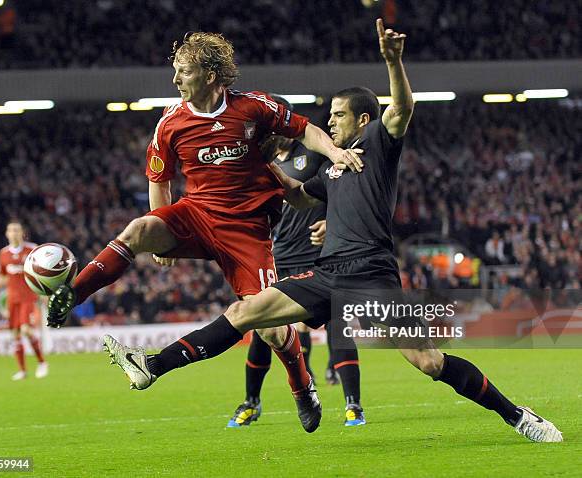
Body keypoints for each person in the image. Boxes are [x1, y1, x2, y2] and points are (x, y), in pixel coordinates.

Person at [103, 18, 563, 443]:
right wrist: (264, 171)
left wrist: (392, 61)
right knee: (246, 313)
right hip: (327, 273)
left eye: (339, 116)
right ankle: (152, 365)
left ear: (362, 119)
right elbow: (301, 197)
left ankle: (518, 416)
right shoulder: (332, 170)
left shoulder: (379, 145)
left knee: (428, 361)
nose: (330, 123)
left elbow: (401, 108)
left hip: (371, 275)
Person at [47, 31, 363, 433]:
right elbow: (158, 180)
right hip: (196, 216)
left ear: (212, 75)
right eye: (175, 71)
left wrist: (335, 152)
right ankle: (72, 294)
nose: (177, 81)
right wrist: (164, 232)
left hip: (247, 231)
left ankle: (302, 385)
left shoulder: (253, 108)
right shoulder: (170, 122)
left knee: (269, 327)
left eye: (185, 72)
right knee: (139, 229)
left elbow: (304, 130)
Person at [227, 97, 365, 428]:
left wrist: (335, 221)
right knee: (262, 328)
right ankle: (251, 402)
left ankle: (353, 405)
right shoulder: (261, 161)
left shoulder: (316, 151)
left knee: (337, 324)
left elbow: (342, 183)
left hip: (319, 254)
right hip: (279, 255)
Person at [0, 221, 48, 380]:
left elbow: (41, 273)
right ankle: (22, 370)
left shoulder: (32, 249)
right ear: (7, 234)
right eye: (11, 230)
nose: (13, 233)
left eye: (16, 230)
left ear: (22, 233)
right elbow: (2, 276)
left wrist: (44, 292)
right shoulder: (3, 253)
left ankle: (42, 362)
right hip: (12, 298)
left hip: (28, 297)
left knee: (26, 330)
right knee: (15, 334)